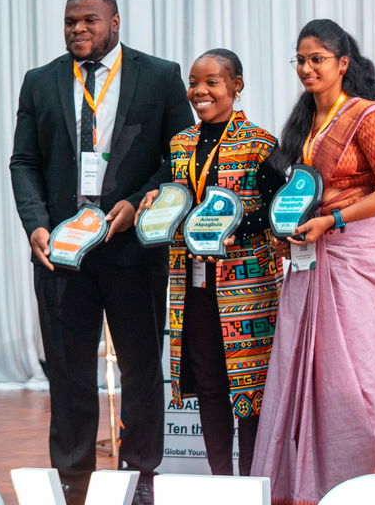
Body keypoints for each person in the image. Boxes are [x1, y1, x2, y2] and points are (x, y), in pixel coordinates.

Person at [9, 0, 193, 505]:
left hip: (133, 250)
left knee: (138, 368)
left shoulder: (159, 75)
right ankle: (73, 479)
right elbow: (24, 162)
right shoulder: (40, 81)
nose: (78, 30)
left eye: (90, 20)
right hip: (61, 252)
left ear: (115, 21)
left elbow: (179, 157)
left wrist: (137, 202)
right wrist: (36, 225)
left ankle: (140, 478)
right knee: (68, 371)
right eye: (70, 22)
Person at [251, 19, 375, 504]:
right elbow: (301, 195)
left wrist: (333, 220)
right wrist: (292, 230)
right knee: (300, 377)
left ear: (343, 63)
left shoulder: (367, 116)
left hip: (354, 262)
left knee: (356, 388)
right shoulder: (305, 124)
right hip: (309, 259)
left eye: (316, 59)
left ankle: (352, 491)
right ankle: (302, 491)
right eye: (300, 59)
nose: (306, 68)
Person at [137, 49, 284, 476]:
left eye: (212, 82)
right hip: (192, 287)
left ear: (236, 85)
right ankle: (222, 481)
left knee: (251, 386)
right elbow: (175, 196)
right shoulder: (180, 143)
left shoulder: (261, 144)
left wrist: (236, 225)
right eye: (195, 83)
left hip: (248, 287)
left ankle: (253, 483)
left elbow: (279, 211)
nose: (200, 91)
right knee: (209, 385)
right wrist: (155, 201)